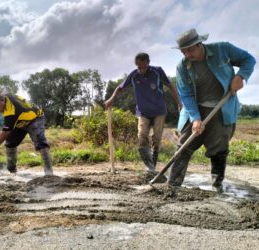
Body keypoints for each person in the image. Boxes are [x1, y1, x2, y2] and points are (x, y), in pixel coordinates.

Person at [168, 28, 256, 194]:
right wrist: (195, 118)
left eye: (190, 50)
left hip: (222, 107)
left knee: (219, 149)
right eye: (183, 51)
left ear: (199, 44)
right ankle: (172, 186)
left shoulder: (223, 49)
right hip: (195, 108)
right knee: (183, 146)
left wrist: (240, 76)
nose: (187, 54)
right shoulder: (182, 67)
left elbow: (248, 60)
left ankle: (217, 187)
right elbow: (186, 94)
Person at [105, 53, 181, 173]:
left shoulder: (157, 71)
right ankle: (149, 166)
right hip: (143, 112)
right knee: (142, 136)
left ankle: (152, 167)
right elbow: (120, 88)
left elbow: (170, 86)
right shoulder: (134, 75)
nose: (141, 70)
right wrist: (112, 99)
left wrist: (179, 103)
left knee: (156, 139)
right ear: (136, 65)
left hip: (159, 111)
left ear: (148, 63)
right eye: (138, 67)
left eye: (143, 67)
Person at [0, 93, 53, 176]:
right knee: (10, 143)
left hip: (35, 118)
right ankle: (11, 170)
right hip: (20, 121)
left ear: (2, 101)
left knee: (40, 142)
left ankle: (49, 173)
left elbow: (5, 132)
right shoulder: (5, 96)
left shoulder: (11, 112)